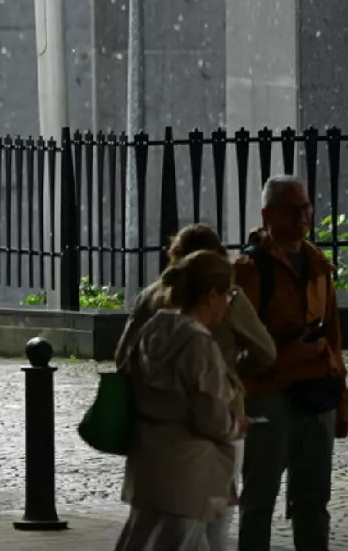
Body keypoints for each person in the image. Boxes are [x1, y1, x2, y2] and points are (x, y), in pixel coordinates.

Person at [116, 223, 276, 551]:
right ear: (211, 296)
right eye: (227, 295)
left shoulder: (155, 324)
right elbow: (211, 415)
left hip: (150, 455)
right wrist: (235, 421)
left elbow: (124, 363)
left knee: (141, 539)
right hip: (191, 469)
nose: (229, 301)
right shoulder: (199, 344)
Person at [234, 176, 348, 551]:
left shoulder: (318, 266)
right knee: (259, 498)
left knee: (313, 499)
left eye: (306, 208)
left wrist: (341, 400)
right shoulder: (249, 269)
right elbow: (232, 348)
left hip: (317, 392)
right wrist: (284, 358)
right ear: (268, 215)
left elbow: (333, 338)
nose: (303, 217)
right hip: (269, 393)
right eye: (292, 210)